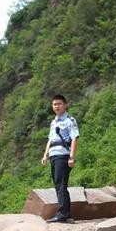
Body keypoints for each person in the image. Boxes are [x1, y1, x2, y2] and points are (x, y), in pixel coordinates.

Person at [40, 94, 79, 222]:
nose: (56, 106)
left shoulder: (70, 120)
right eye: (54, 104)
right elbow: (50, 139)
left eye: (59, 104)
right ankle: (64, 213)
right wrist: (45, 155)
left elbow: (74, 138)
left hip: (63, 154)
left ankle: (62, 214)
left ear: (65, 105)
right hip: (53, 155)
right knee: (58, 184)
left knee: (61, 184)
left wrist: (72, 157)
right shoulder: (53, 122)